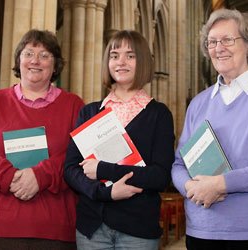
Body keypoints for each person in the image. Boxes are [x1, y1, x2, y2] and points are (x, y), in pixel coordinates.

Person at [170, 9, 248, 250]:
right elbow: (179, 164)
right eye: (212, 42)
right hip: (203, 230)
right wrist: (190, 187)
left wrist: (220, 184)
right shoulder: (199, 103)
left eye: (228, 39)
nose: (219, 47)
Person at [0, 29, 84, 250]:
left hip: (53, 229)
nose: (35, 61)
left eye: (45, 55)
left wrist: (40, 176)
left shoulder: (74, 106)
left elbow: (83, 156)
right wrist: (10, 176)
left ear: (55, 65)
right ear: (18, 60)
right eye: (28, 53)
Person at [64, 30, 174, 249]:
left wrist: (104, 170)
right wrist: (105, 193)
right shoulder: (91, 112)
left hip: (138, 229)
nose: (120, 62)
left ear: (142, 61)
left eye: (130, 56)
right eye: (114, 56)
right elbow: (70, 169)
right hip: (92, 228)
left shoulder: (158, 114)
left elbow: (160, 176)